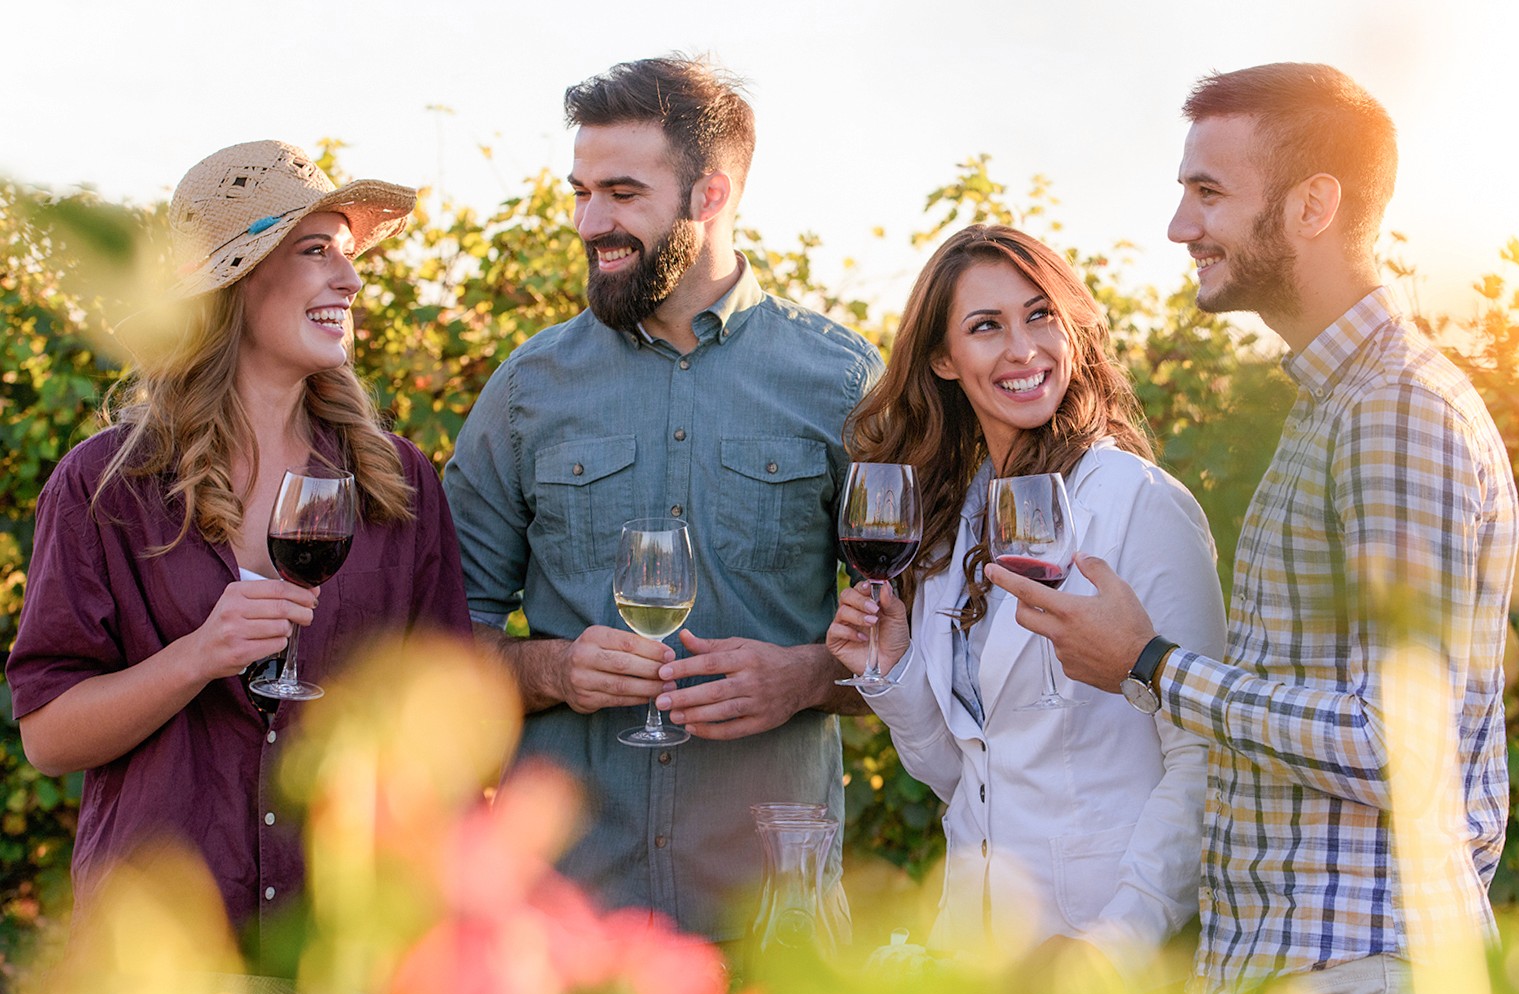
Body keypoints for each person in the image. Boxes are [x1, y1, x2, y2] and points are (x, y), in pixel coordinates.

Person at [988, 64, 1519, 994]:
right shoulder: (1331, 405)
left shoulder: (1394, 412)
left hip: (1359, 962)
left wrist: (1149, 664)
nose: (1180, 226)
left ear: (1314, 205)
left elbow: (1398, 742)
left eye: (1209, 193)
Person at [442, 57, 883, 941]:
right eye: (580, 191)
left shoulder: (844, 384)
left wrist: (802, 679)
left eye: (621, 193)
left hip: (770, 924)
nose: (588, 222)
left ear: (710, 195)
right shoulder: (530, 388)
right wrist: (554, 671)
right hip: (562, 924)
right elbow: (438, 646)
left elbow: (937, 646)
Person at [7, 140, 472, 944]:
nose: (350, 280)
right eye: (315, 249)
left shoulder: (396, 487)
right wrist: (197, 655)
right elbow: (48, 736)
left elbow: (451, 721)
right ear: (234, 283)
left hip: (346, 947)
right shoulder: (107, 486)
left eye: (350, 254)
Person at [825, 224, 1225, 971]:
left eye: (1041, 314)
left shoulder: (1137, 502)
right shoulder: (957, 522)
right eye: (986, 327)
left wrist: (1115, 946)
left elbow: (1204, 755)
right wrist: (894, 670)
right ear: (943, 359)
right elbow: (970, 775)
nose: (1023, 348)